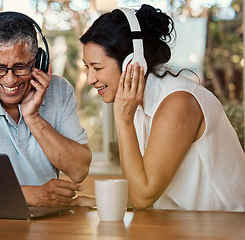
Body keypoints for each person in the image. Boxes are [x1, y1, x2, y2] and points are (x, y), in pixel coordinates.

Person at [80, 4, 245, 211]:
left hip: (226, 227)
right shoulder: (140, 104)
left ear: (132, 62)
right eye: (87, 67)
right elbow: (142, 186)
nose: (90, 79)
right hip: (184, 225)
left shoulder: (179, 103)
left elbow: (143, 197)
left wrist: (123, 120)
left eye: (97, 67)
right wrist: (99, 202)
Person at [0, 12, 92, 207]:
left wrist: (34, 118)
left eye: (20, 67)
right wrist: (37, 196)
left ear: (39, 63)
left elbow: (79, 170)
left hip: (46, 225)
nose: (10, 80)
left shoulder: (59, 91)